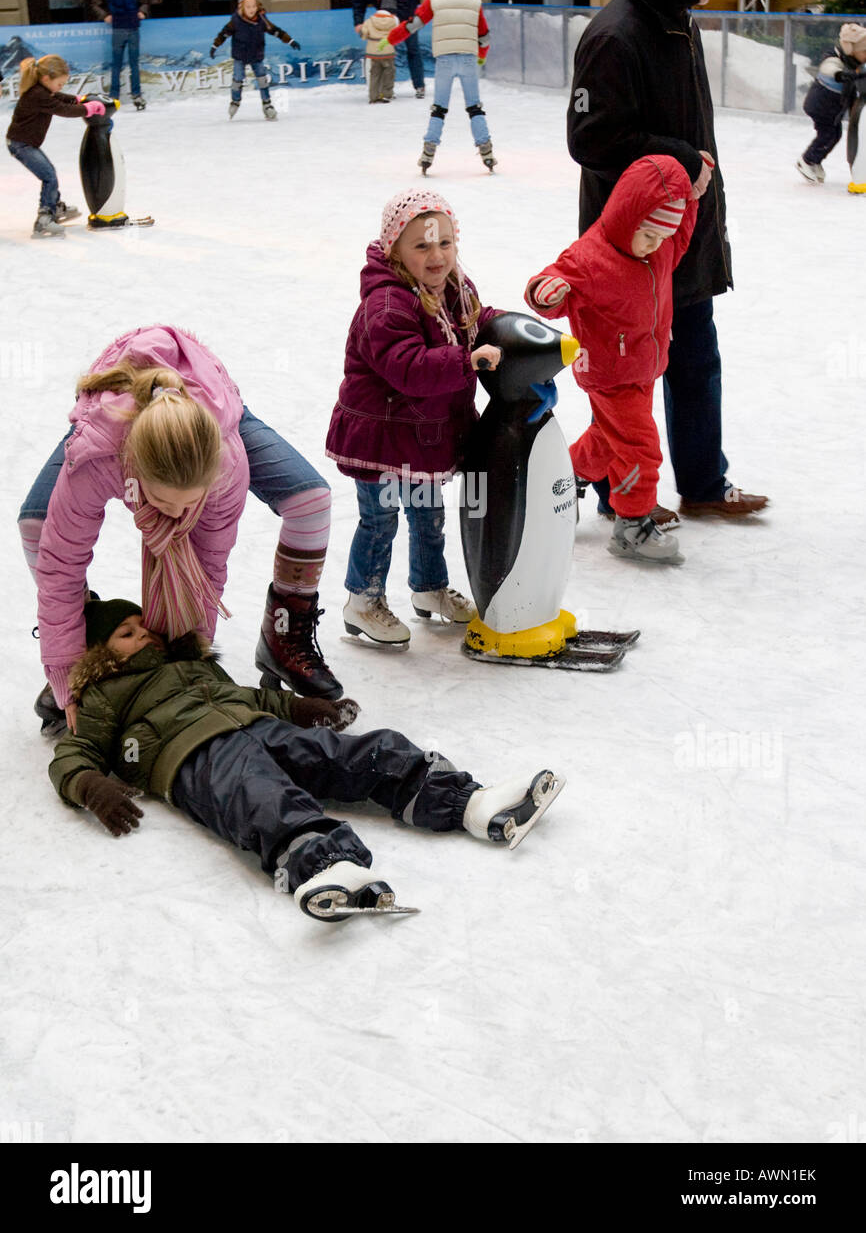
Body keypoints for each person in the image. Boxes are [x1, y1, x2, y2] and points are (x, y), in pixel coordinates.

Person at [47, 599, 563, 921]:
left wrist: (304, 710)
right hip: (195, 757)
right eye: (127, 633)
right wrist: (91, 786)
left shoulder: (194, 667)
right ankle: (322, 865)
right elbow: (73, 754)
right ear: (102, 654)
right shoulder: (103, 696)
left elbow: (255, 698)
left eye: (143, 626)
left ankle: (467, 801)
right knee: (260, 796)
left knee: (351, 753)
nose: (145, 636)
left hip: (258, 726)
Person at [19, 325, 343, 739]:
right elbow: (60, 565)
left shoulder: (225, 465)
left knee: (310, 500)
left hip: (207, 405)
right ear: (135, 473)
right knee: (37, 525)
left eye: (190, 502)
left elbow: (207, 568)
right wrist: (69, 675)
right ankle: (93, 640)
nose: (177, 514)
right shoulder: (101, 459)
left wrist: (191, 663)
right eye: (164, 501)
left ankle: (282, 639)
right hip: (116, 415)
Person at [567, 0, 768, 523]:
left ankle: (704, 483)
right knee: (629, 376)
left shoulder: (675, 20)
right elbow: (590, 139)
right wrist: (682, 160)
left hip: (684, 234)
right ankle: (601, 487)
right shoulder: (617, 34)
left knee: (694, 358)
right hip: (632, 244)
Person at [326, 190, 501, 645]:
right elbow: (409, 369)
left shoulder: (455, 289)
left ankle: (429, 588)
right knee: (379, 521)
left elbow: (477, 322)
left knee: (428, 516)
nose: (437, 255)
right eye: (422, 246)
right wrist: (469, 361)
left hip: (419, 437)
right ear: (395, 250)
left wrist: (510, 329)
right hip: (380, 439)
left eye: (444, 242)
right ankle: (362, 601)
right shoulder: (387, 305)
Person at [526, 155, 700, 565]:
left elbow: (682, 236)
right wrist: (545, 291)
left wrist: (690, 198)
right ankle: (632, 526)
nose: (658, 245)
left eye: (663, 237)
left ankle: (560, 478)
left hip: (642, 367)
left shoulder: (658, 249)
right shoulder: (591, 256)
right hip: (608, 372)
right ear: (627, 216)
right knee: (640, 444)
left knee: (609, 440)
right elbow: (548, 282)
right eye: (649, 235)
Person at [385, 0, 494, 173]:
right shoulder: (474, 0)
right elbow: (484, 36)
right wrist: (481, 54)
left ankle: (428, 153)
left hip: (444, 59)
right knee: (474, 107)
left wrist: (390, 39)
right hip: (468, 58)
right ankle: (486, 152)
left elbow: (413, 24)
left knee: (439, 109)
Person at [6, 55, 105, 238]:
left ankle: (55, 208)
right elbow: (62, 109)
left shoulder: (43, 90)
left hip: (25, 143)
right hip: (21, 145)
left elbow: (60, 98)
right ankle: (44, 219)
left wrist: (78, 99)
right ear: (46, 79)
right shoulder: (38, 95)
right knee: (49, 176)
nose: (60, 88)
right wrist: (87, 108)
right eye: (59, 83)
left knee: (49, 173)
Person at [210, 0, 300, 120]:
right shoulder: (235, 22)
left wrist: (290, 40)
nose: (252, 9)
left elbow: (276, 31)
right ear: (241, 7)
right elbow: (223, 34)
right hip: (240, 56)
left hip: (256, 55)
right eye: (248, 7)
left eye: (254, 6)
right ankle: (235, 101)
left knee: (262, 80)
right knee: (237, 79)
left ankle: (267, 105)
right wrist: (214, 46)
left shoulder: (262, 20)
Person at [797, 22, 866, 184]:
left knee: (834, 135)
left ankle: (815, 161)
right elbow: (828, 68)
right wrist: (841, 75)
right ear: (852, 50)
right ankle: (807, 160)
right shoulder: (836, 57)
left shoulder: (855, 62)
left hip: (832, 108)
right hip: (820, 106)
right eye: (864, 51)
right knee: (829, 135)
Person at [352, 0, 426, 99]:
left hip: (406, 11)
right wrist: (358, 23)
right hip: (384, 13)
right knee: (382, 52)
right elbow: (358, 2)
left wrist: (397, 21)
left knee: (412, 48)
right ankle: (384, 90)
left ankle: (419, 86)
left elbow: (406, 1)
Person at [91, 0, 151, 111]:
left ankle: (136, 94)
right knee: (116, 63)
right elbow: (95, 3)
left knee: (134, 63)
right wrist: (105, 16)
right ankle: (114, 95)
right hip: (118, 26)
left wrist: (142, 12)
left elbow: (144, 1)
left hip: (132, 25)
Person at [359, 3, 398, 103]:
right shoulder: (393, 21)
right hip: (388, 50)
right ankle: (387, 94)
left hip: (374, 52)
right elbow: (397, 34)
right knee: (389, 73)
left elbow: (363, 34)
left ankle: (373, 96)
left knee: (374, 74)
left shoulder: (369, 21)